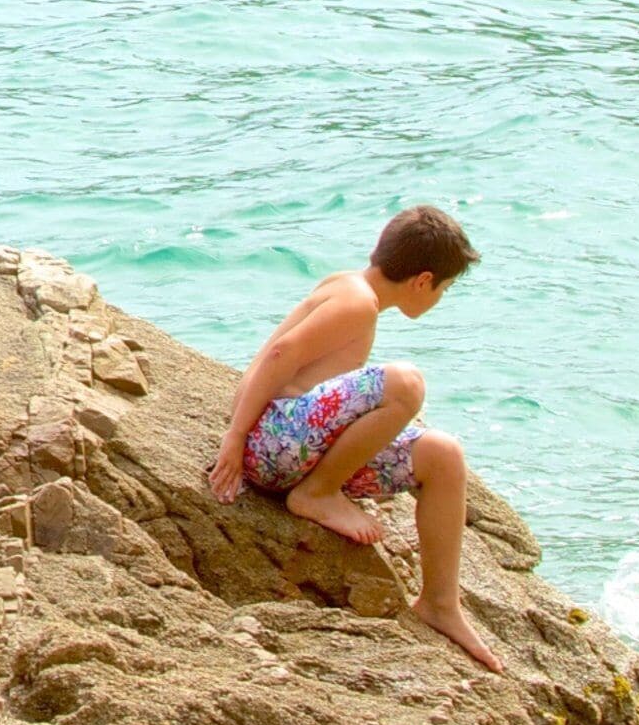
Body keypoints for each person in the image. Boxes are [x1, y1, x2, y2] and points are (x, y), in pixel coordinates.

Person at [204, 205, 503, 671]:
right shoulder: (355, 301)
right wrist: (235, 437)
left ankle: (440, 603)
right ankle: (318, 493)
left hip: (296, 446)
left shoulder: (351, 289)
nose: (441, 296)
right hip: (272, 442)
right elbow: (281, 355)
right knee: (406, 384)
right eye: (444, 287)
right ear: (423, 281)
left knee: (443, 454)